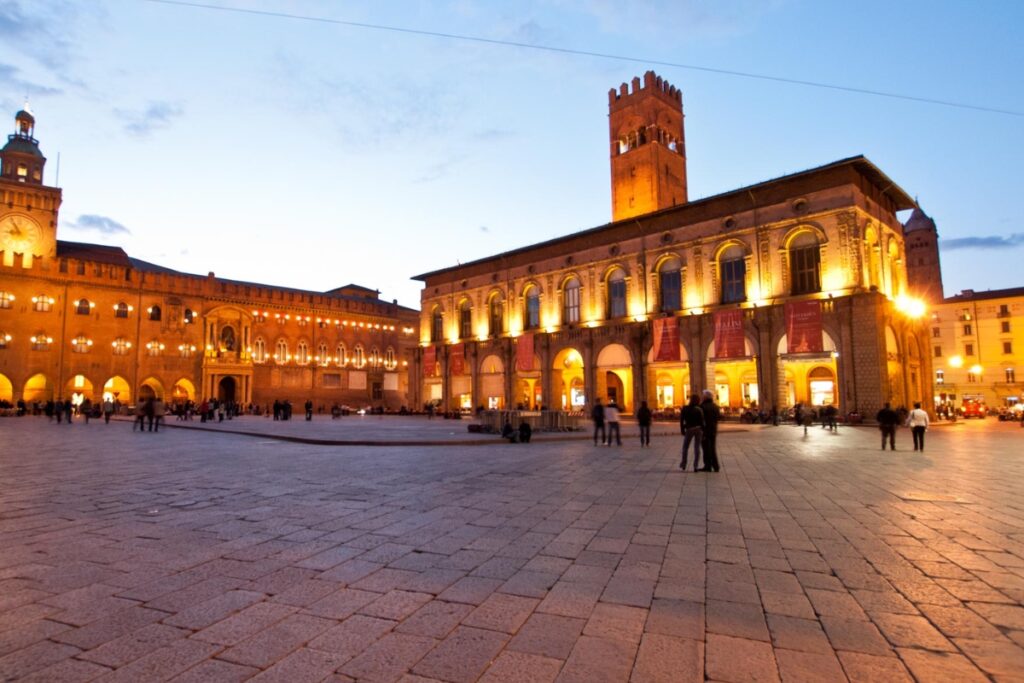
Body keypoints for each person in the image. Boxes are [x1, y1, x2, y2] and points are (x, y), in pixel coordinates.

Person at [679, 394, 704, 471]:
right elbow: (702, 421)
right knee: (697, 448)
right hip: (698, 429)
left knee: (685, 447)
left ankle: (684, 464)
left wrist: (682, 429)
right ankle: (695, 466)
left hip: (689, 429)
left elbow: (681, 420)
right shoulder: (699, 409)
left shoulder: (685, 408)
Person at [699, 390, 721, 472]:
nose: (702, 397)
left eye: (703, 395)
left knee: (705, 448)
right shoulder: (715, 406)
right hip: (713, 430)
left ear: (705, 397)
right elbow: (719, 417)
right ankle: (716, 466)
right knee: (712, 448)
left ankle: (707, 466)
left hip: (705, 430)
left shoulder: (702, 406)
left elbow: (700, 419)